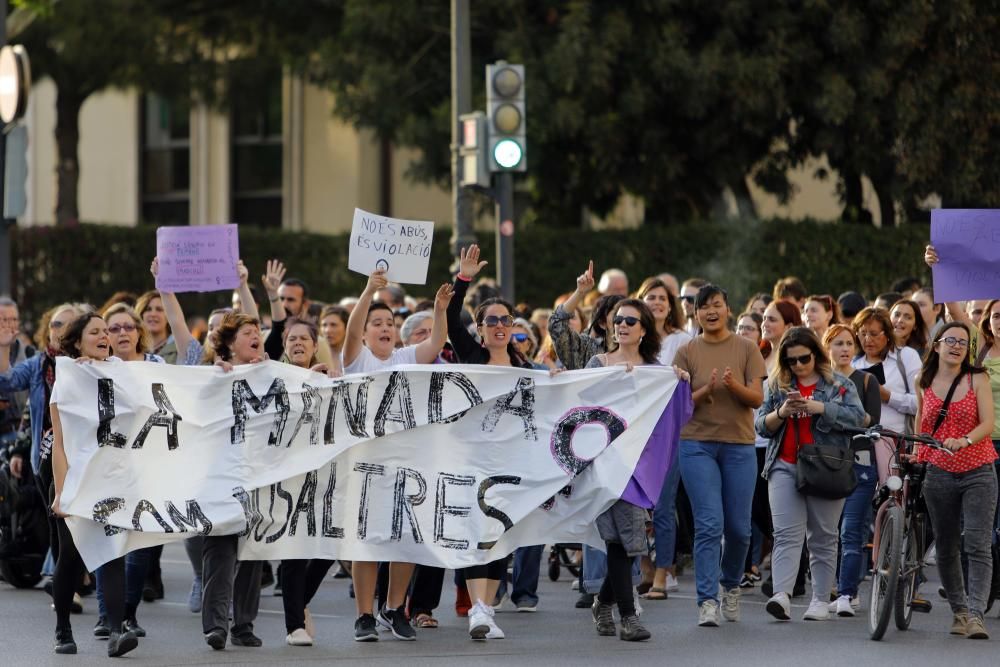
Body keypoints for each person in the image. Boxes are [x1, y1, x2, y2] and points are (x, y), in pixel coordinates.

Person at [342, 269, 452, 642]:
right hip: (368, 464)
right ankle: (364, 615)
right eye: (377, 323)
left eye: (390, 322)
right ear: (366, 332)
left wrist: (439, 309)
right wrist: (369, 290)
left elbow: (436, 343)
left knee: (406, 538)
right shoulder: (357, 360)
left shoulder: (406, 356)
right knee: (368, 542)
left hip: (408, 463)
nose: (385, 327)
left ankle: (393, 608)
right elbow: (352, 328)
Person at [447, 244, 542, 640]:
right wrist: (463, 278)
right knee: (476, 533)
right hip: (473, 462)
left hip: (510, 464)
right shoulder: (471, 356)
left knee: (500, 535)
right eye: (491, 321)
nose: (500, 326)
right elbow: (451, 317)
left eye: (506, 320)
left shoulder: (527, 367)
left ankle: (485, 608)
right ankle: (476, 608)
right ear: (481, 329)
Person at [587, 299, 686, 641]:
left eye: (630, 320)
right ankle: (627, 617)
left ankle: (605, 603)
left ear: (644, 329)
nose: (622, 325)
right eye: (618, 320)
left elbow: (674, 409)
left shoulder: (656, 371)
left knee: (624, 542)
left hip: (637, 464)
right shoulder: (598, 362)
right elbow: (582, 404)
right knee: (623, 540)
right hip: (605, 461)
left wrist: (678, 381)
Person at [756, 327, 865, 621]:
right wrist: (782, 413)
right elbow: (760, 426)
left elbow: (859, 418)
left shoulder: (839, 385)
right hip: (784, 464)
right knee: (786, 534)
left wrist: (821, 407)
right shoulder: (776, 385)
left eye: (804, 358)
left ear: (816, 355)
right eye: (791, 361)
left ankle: (819, 599)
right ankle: (782, 594)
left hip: (826, 466)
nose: (798, 365)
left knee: (823, 537)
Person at [673, 284, 766, 627]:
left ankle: (730, 586)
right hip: (696, 445)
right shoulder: (685, 352)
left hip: (739, 446)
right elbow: (678, 405)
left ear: (728, 309)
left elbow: (756, 399)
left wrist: (732, 386)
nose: (710, 311)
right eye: (703, 306)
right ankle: (707, 600)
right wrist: (705, 391)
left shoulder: (746, 348)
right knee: (709, 524)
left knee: (740, 529)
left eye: (716, 305)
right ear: (695, 313)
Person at [48, 311, 139, 657]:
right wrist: (61, 492)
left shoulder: (122, 373)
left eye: (107, 331)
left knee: (111, 554)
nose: (105, 336)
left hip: (113, 481)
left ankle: (116, 632)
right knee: (71, 557)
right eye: (95, 332)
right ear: (77, 342)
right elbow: (60, 442)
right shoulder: (68, 378)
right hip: (73, 477)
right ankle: (62, 630)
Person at [915, 322, 996, 639]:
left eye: (963, 341)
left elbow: (988, 423)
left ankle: (977, 615)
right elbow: (922, 425)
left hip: (978, 468)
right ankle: (960, 611)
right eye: (950, 340)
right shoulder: (923, 380)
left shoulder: (978, 378)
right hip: (938, 472)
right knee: (947, 546)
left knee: (977, 544)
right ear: (936, 346)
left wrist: (964, 440)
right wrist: (917, 455)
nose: (957, 345)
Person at [199, 312, 268, 651]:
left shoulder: (271, 373)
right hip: (218, 479)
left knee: (253, 552)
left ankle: (243, 624)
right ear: (228, 344)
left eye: (258, 331)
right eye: (247, 332)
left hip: (258, 477)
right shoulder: (213, 375)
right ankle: (215, 626)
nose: (256, 335)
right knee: (221, 551)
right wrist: (216, 377)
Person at [635, 277, 691, 598]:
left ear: (671, 306)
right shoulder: (632, 339)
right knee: (637, 506)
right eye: (650, 297)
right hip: (636, 433)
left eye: (663, 298)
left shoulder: (683, 341)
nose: (657, 302)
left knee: (664, 506)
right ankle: (644, 569)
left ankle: (662, 574)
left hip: (669, 432)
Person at [822, 324, 881, 616]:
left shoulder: (867, 380)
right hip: (826, 463)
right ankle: (835, 588)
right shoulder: (820, 381)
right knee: (827, 531)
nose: (844, 349)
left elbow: (870, 422)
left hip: (861, 463)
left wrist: (834, 417)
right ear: (826, 348)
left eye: (848, 343)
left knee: (851, 529)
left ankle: (847, 592)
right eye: (837, 344)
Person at [851, 307, 920, 481]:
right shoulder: (852, 363)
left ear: (887, 334)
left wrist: (887, 396)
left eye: (874, 334)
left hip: (897, 444)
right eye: (862, 333)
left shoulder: (906, 357)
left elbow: (921, 404)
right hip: (860, 444)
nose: (868, 340)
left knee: (893, 497)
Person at [761, 300, 802, 376]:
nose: (765, 324)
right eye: (764, 319)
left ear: (789, 326)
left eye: (772, 320)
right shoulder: (760, 353)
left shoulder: (794, 359)